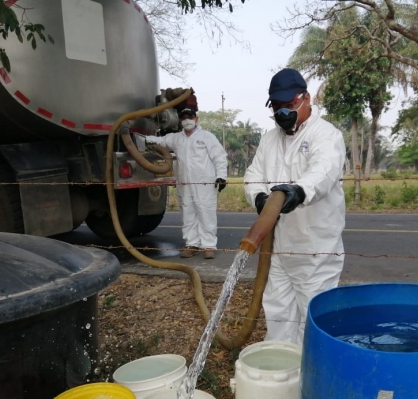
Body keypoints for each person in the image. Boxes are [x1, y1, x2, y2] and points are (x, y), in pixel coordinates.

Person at [243, 68, 347, 345]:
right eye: (276, 107)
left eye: (289, 106)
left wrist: (298, 192)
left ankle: (308, 377)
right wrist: (259, 197)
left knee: (311, 320)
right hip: (278, 247)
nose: (282, 113)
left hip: (315, 249)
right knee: (277, 312)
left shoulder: (326, 135)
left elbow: (323, 172)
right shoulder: (270, 138)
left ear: (306, 99)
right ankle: (279, 371)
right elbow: (253, 175)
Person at [143, 108, 228, 259]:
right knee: (188, 213)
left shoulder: (206, 137)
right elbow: (161, 141)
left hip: (204, 183)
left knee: (205, 212)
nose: (187, 120)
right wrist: (145, 139)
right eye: (184, 117)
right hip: (184, 184)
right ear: (180, 121)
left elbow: (219, 156)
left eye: (190, 117)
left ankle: (208, 246)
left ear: (196, 119)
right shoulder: (176, 138)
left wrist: (221, 176)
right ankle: (192, 244)